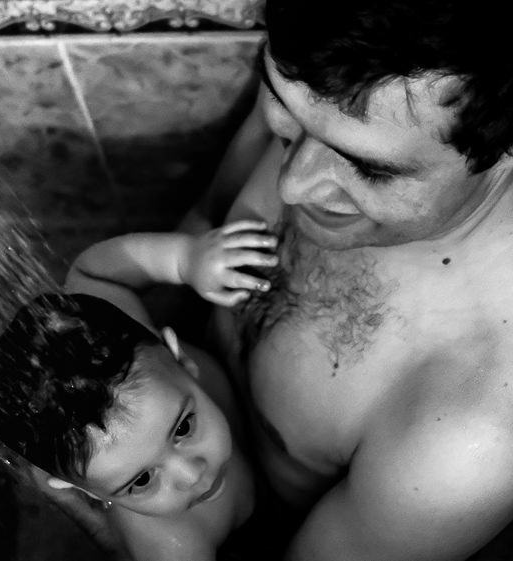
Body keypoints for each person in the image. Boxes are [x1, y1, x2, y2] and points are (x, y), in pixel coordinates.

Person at [179, 0, 513, 559]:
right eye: (283, 110)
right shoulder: (330, 78)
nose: (293, 185)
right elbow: (201, 221)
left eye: (370, 169)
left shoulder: (470, 432)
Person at [0, 221, 283, 561]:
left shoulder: (119, 349)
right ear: (85, 489)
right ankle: (97, 524)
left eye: (183, 428)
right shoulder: (174, 547)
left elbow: (93, 272)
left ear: (176, 354)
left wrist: (185, 259)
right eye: (141, 482)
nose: (192, 474)